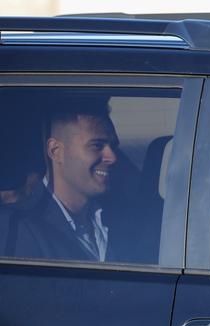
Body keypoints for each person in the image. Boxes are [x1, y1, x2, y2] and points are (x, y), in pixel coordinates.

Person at [0, 100, 120, 260]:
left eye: (113, 146)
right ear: (55, 151)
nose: (112, 157)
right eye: (97, 145)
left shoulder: (118, 219)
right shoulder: (17, 226)